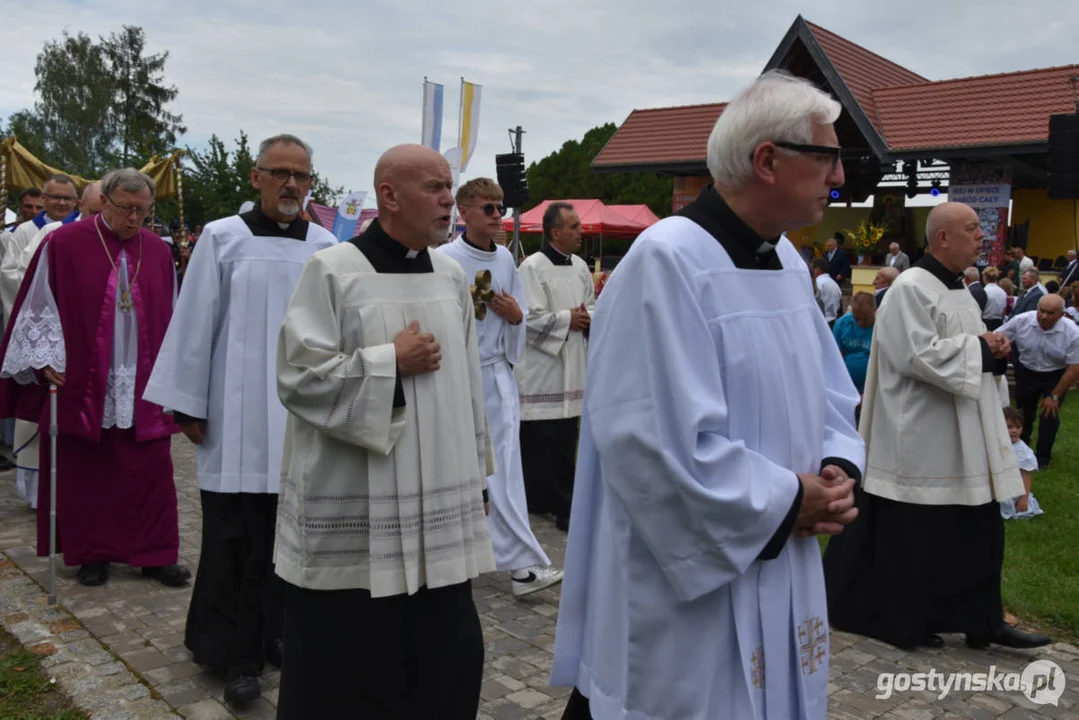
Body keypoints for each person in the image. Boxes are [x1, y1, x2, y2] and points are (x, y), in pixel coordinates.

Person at [552, 70, 862, 720]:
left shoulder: (782, 263)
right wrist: (786, 500)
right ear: (767, 160)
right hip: (687, 588)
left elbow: (830, 390)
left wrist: (836, 469)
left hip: (783, 546)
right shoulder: (664, 261)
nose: (839, 177)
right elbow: (648, 442)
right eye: (829, 156)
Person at [273, 144, 495, 719]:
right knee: (349, 673)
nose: (449, 199)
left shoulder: (449, 276)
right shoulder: (333, 270)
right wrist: (387, 362)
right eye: (435, 187)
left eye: (451, 187)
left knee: (445, 662)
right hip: (358, 511)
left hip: (439, 509)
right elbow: (298, 378)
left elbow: (469, 382)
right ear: (389, 196)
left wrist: (480, 478)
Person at [143, 134, 336, 707]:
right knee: (235, 539)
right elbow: (195, 320)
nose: (291, 185)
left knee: (288, 540)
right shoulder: (224, 238)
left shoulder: (325, 245)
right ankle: (232, 653)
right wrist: (188, 402)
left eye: (301, 175)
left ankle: (275, 634)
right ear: (256, 178)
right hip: (235, 418)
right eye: (279, 173)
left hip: (299, 422)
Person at [824, 201, 1050, 652]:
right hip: (923, 435)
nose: (982, 237)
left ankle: (983, 621)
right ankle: (908, 617)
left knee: (979, 530)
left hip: (964, 431)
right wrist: (981, 351)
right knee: (919, 537)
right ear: (942, 237)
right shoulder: (910, 288)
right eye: (972, 229)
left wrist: (993, 344)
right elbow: (917, 354)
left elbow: (961, 346)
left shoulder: (959, 289)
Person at [0, 168, 189, 588]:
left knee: (151, 470)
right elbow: (37, 303)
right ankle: (93, 554)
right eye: (127, 208)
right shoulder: (64, 243)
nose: (135, 218)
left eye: (143, 210)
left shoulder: (157, 250)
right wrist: (43, 355)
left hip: (141, 379)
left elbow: (174, 313)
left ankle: (155, 554)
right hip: (85, 376)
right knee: (89, 470)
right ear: (105, 201)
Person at [436, 178, 564, 597]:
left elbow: (517, 315)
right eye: (487, 208)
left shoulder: (507, 261)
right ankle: (500, 560)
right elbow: (455, 319)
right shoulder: (445, 260)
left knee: (505, 471)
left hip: (497, 376)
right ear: (465, 212)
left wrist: (513, 316)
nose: (497, 216)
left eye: (500, 208)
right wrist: (487, 303)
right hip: (461, 376)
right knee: (470, 471)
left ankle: (519, 564)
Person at [515, 202, 595, 531]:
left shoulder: (579, 266)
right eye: (574, 226)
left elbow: (592, 304)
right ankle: (541, 502)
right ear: (555, 232)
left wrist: (588, 317)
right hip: (543, 369)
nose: (581, 232)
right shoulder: (531, 267)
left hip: (572, 363)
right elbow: (526, 317)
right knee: (539, 440)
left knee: (565, 439)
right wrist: (567, 318)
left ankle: (564, 503)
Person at [997, 293, 1079, 469]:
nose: (1044, 316)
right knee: (1023, 414)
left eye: (1051, 313)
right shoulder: (1022, 320)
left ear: (1061, 314)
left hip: (1055, 375)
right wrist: (1002, 346)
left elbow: (1074, 368)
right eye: (1041, 311)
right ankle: (1021, 451)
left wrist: (1055, 395)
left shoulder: (1072, 332)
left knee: (1049, 415)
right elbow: (997, 337)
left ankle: (1042, 458)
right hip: (1027, 371)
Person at [1000, 407, 1042, 519]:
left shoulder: (1023, 451)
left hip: (1013, 489)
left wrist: (1024, 498)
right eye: (1009, 427)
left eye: (1018, 427)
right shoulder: (997, 445)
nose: (1014, 430)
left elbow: (1027, 475)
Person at [832, 292, 875, 394]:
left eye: (864, 319)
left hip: (871, 387)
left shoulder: (882, 326)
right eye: (856, 319)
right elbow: (835, 357)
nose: (860, 322)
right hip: (845, 385)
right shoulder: (842, 323)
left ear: (874, 310)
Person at [811, 257, 841, 325]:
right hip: (833, 321)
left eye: (812, 269)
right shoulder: (834, 284)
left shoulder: (817, 283)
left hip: (820, 321)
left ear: (818, 269)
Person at [982, 266, 1007, 330]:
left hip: (985, 322)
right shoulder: (1002, 292)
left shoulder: (984, 291)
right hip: (999, 322)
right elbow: (1004, 311)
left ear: (985, 277)